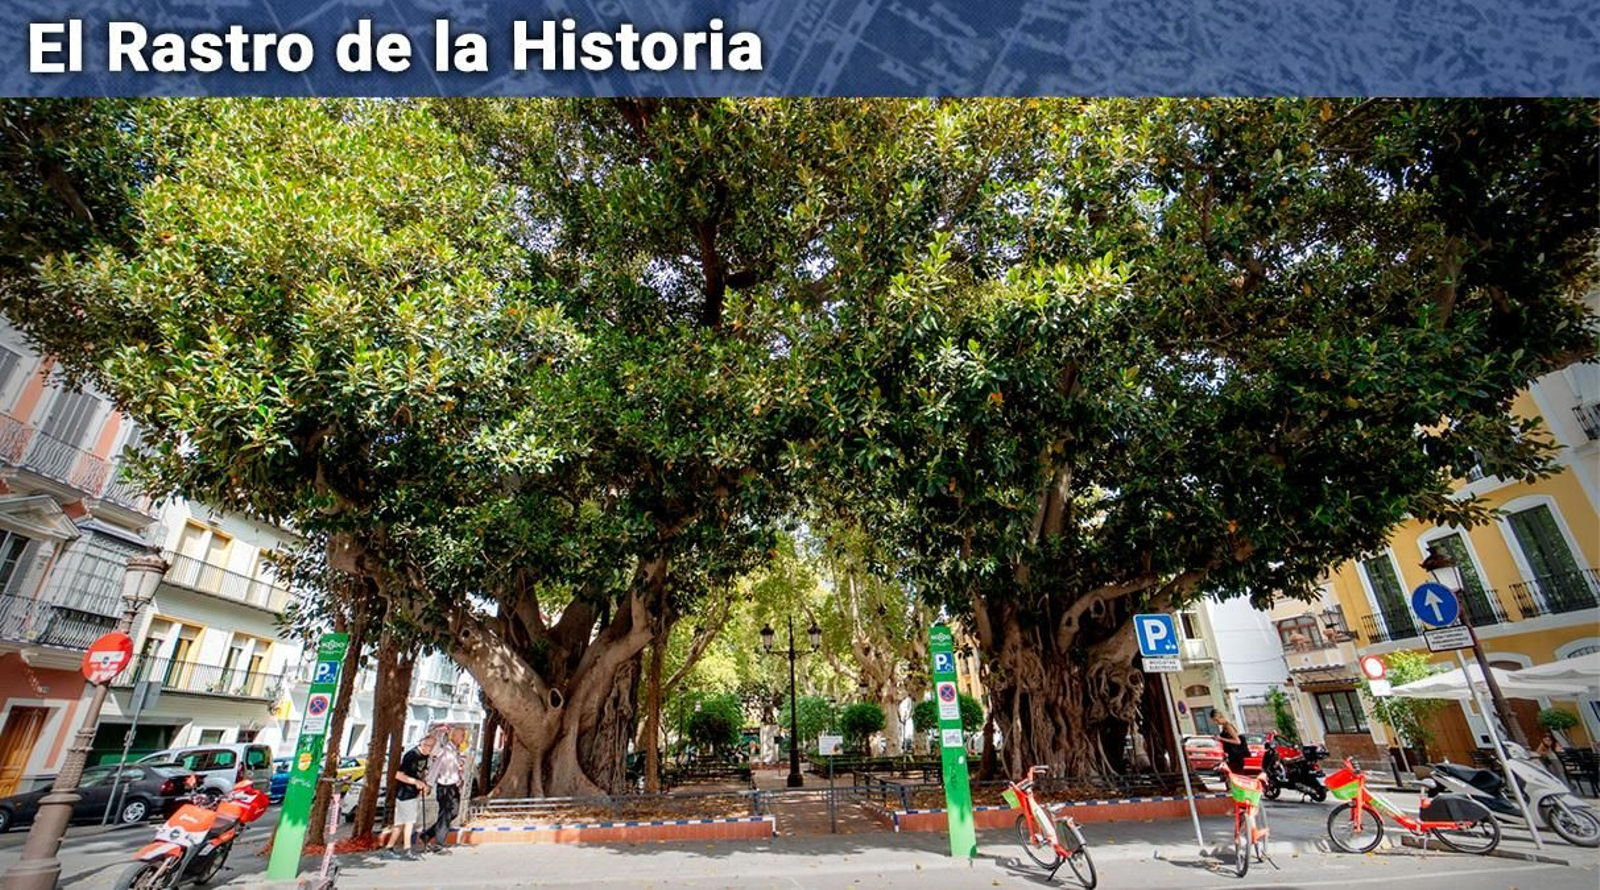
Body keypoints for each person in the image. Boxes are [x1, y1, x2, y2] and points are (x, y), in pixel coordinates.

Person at [379, 733, 435, 860]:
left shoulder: (425, 756)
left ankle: (389, 848)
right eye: (429, 746)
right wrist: (415, 782)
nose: (430, 749)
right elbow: (398, 775)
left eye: (432, 747)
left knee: (399, 824)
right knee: (409, 822)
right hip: (405, 793)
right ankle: (407, 849)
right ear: (423, 744)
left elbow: (420, 774)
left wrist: (423, 785)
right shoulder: (411, 755)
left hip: (412, 793)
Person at [420, 726, 466, 851]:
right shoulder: (445, 750)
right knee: (444, 814)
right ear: (455, 736)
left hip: (454, 786)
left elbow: (455, 769)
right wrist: (428, 784)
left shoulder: (456, 751)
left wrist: (460, 778)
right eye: (462, 735)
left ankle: (427, 835)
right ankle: (439, 843)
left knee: (454, 812)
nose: (463, 738)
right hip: (445, 786)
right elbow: (436, 767)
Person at [1213, 710, 1248, 775]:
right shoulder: (1225, 726)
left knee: (1236, 774)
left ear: (1221, 717)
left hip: (1235, 757)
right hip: (1232, 756)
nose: (1216, 723)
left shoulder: (1228, 726)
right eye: (1214, 721)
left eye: (1216, 720)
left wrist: (1221, 738)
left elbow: (1237, 741)